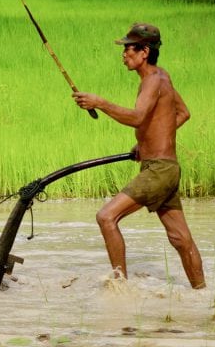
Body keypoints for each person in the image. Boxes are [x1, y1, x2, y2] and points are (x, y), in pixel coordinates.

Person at [72, 23, 206, 289]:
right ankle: (202, 293)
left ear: (144, 51)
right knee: (180, 237)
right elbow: (182, 113)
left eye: (127, 49)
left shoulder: (152, 81)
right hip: (166, 167)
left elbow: (137, 117)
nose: (123, 54)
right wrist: (147, 141)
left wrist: (100, 103)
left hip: (158, 170)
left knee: (106, 217)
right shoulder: (162, 77)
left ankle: (120, 289)